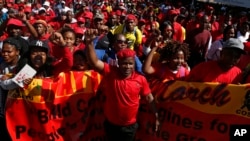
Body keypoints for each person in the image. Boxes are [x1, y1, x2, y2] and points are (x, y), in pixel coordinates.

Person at [84, 29, 159, 141]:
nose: (127, 66)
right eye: (124, 63)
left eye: (130, 64)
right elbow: (94, 62)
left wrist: (156, 114)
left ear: (134, 64)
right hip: (111, 125)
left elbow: (149, 97)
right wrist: (89, 43)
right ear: (119, 63)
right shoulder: (110, 72)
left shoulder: (140, 79)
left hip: (130, 127)